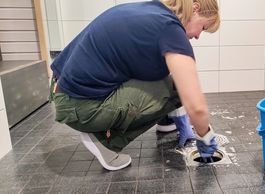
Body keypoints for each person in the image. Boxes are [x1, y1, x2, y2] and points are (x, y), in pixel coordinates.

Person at [50, 0, 220, 171]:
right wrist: (204, 136)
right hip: (80, 107)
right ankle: (105, 141)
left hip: (62, 88)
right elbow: (196, 105)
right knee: (179, 87)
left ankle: (165, 120)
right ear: (195, 8)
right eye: (203, 28)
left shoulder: (151, 11)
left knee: (172, 81)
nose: (198, 36)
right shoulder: (170, 29)